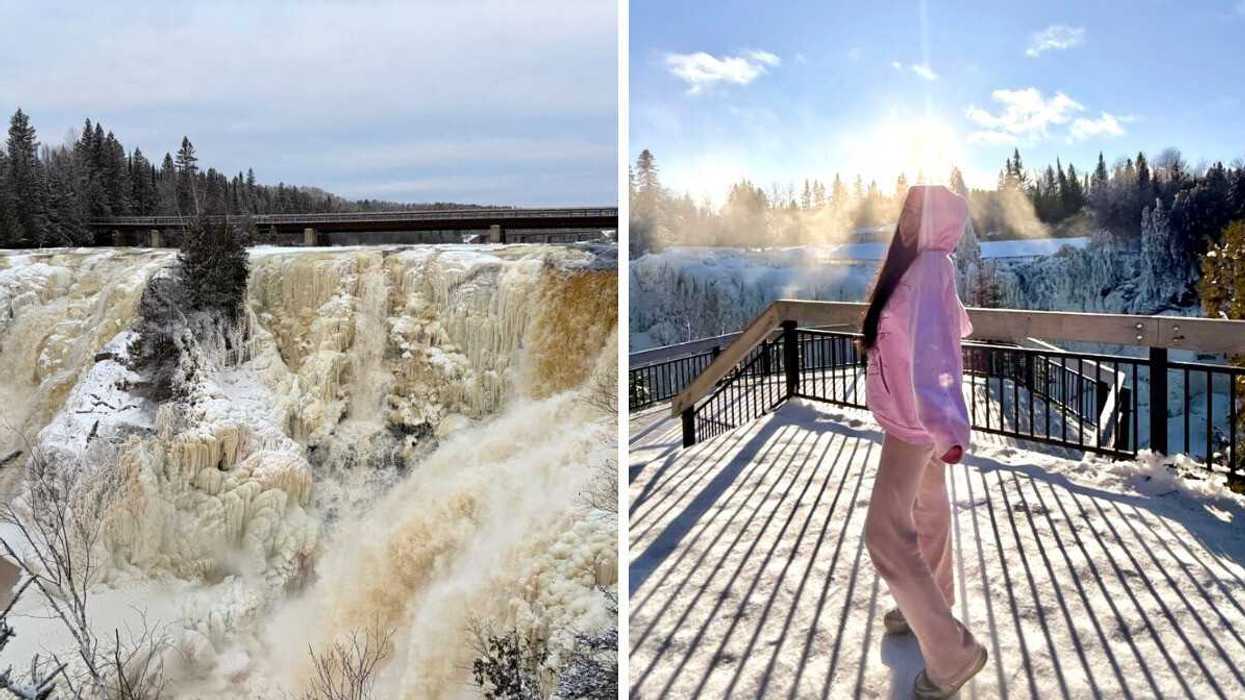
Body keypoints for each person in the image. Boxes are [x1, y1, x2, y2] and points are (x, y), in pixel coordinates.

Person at [860, 184, 988, 699]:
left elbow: (937, 351)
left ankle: (952, 655)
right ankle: (933, 603)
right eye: (907, 212)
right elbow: (951, 330)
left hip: (914, 423)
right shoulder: (923, 269)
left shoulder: (930, 267)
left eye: (922, 213)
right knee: (927, 509)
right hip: (914, 417)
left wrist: (942, 424)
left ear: (941, 221)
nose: (911, 222)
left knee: (886, 536)